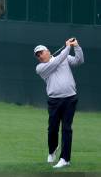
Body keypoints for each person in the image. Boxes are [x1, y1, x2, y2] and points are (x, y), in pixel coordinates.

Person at [34, 38, 83, 168]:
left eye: (41, 52)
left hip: (70, 98)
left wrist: (76, 46)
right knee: (52, 128)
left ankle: (65, 159)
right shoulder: (40, 68)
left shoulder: (63, 58)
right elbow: (56, 62)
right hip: (54, 101)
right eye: (37, 55)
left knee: (66, 129)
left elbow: (79, 60)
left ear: (48, 52)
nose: (39, 56)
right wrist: (67, 47)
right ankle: (52, 150)